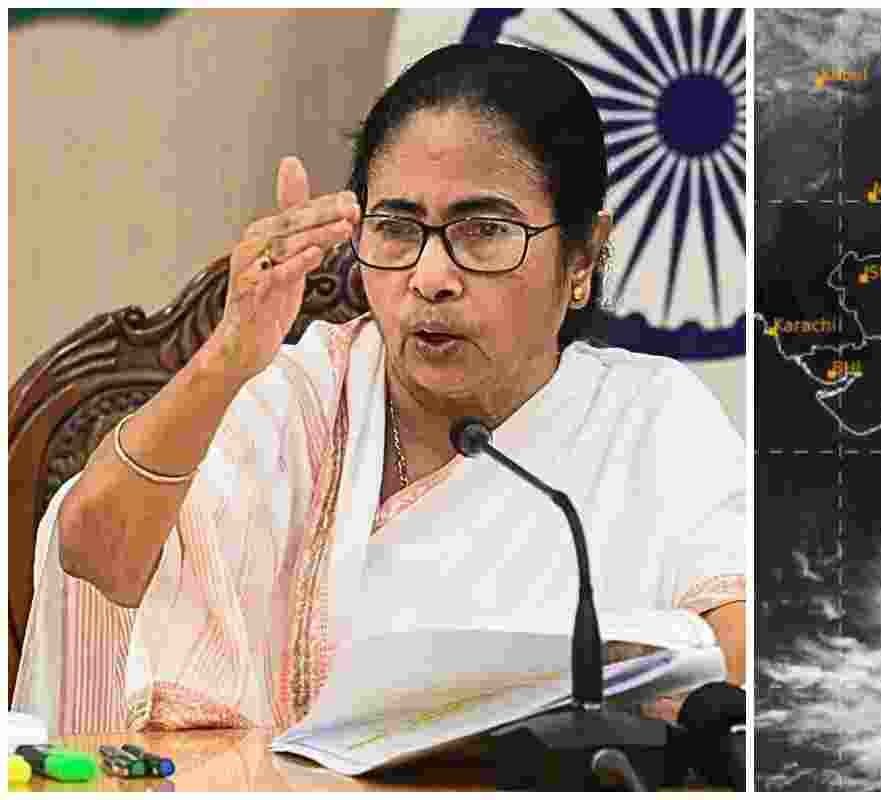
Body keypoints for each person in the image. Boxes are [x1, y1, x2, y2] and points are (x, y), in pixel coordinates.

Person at [13, 42, 745, 735]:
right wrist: (226, 359)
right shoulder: (295, 396)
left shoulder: (650, 420)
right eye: (397, 228)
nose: (430, 277)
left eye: (483, 229)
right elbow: (92, 562)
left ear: (582, 255)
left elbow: (752, 673)